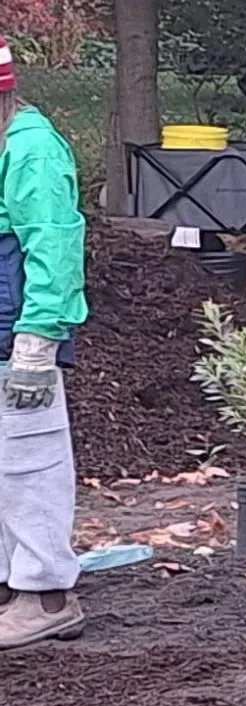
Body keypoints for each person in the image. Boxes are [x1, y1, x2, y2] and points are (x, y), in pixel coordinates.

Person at [0, 39, 89, 651]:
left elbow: (53, 245)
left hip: (17, 334)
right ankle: (14, 583)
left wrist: (38, 342)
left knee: (30, 461)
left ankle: (47, 594)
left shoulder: (29, 148)